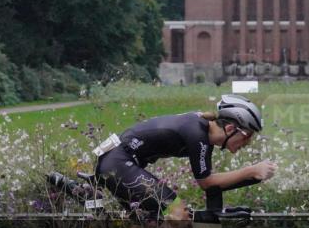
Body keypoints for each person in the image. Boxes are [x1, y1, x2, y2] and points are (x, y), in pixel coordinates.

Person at [94, 94, 276, 220]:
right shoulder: (198, 135)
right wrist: (252, 170)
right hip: (118, 162)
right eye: (247, 135)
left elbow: (211, 185)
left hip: (119, 161)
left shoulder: (205, 136)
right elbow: (207, 182)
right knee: (178, 213)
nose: (248, 142)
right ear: (230, 129)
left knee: (152, 224)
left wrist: (252, 176)